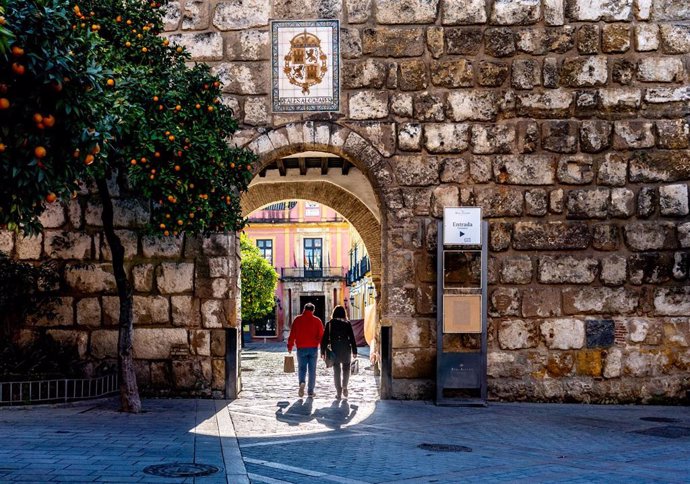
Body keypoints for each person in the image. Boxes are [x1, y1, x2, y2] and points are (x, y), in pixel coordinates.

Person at [287, 303, 324, 398]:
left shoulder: (297, 320)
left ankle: (302, 382)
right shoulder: (317, 321)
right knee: (312, 370)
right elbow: (321, 336)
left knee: (302, 368)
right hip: (313, 348)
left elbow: (292, 335)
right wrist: (322, 348)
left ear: (304, 309)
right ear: (313, 310)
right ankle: (310, 391)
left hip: (301, 348)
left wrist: (290, 347)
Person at [320, 305, 357, 400]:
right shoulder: (347, 323)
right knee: (346, 368)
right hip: (346, 349)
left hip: (334, 350)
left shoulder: (330, 323)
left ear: (334, 313)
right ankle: (345, 386)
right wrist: (354, 351)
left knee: (336, 371)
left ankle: (338, 392)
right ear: (344, 313)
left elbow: (324, 339)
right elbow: (352, 337)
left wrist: (323, 352)